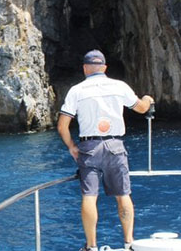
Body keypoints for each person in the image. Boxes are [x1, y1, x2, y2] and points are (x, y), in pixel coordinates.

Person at [57, 50, 154, 251]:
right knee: (123, 194)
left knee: (90, 196)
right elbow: (142, 108)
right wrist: (147, 98)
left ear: (85, 69)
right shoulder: (119, 86)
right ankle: (129, 243)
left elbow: (62, 126)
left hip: (89, 147)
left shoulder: (77, 90)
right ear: (105, 68)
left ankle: (92, 246)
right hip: (115, 145)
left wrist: (72, 147)